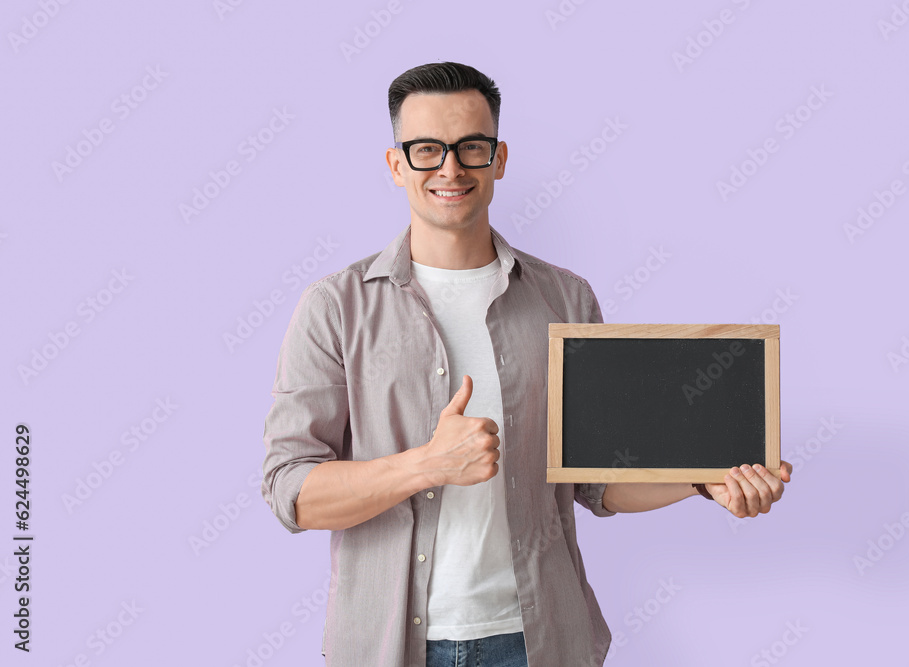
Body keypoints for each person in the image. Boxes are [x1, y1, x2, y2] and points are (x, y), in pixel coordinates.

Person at [261, 61, 793, 667]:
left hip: (541, 640)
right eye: (428, 149)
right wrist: (426, 466)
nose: (451, 168)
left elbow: (597, 480)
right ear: (396, 164)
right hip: (388, 647)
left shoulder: (565, 299)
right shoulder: (336, 307)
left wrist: (704, 477)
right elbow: (291, 490)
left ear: (500, 157)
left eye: (472, 147)